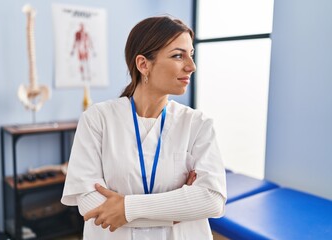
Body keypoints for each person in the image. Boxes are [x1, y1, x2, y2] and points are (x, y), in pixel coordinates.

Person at [61, 16, 227, 240]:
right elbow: (89, 202)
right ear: (143, 64)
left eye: (191, 55)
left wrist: (127, 209)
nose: (191, 66)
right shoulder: (97, 119)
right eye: (178, 55)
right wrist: (176, 211)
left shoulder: (198, 124)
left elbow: (212, 200)